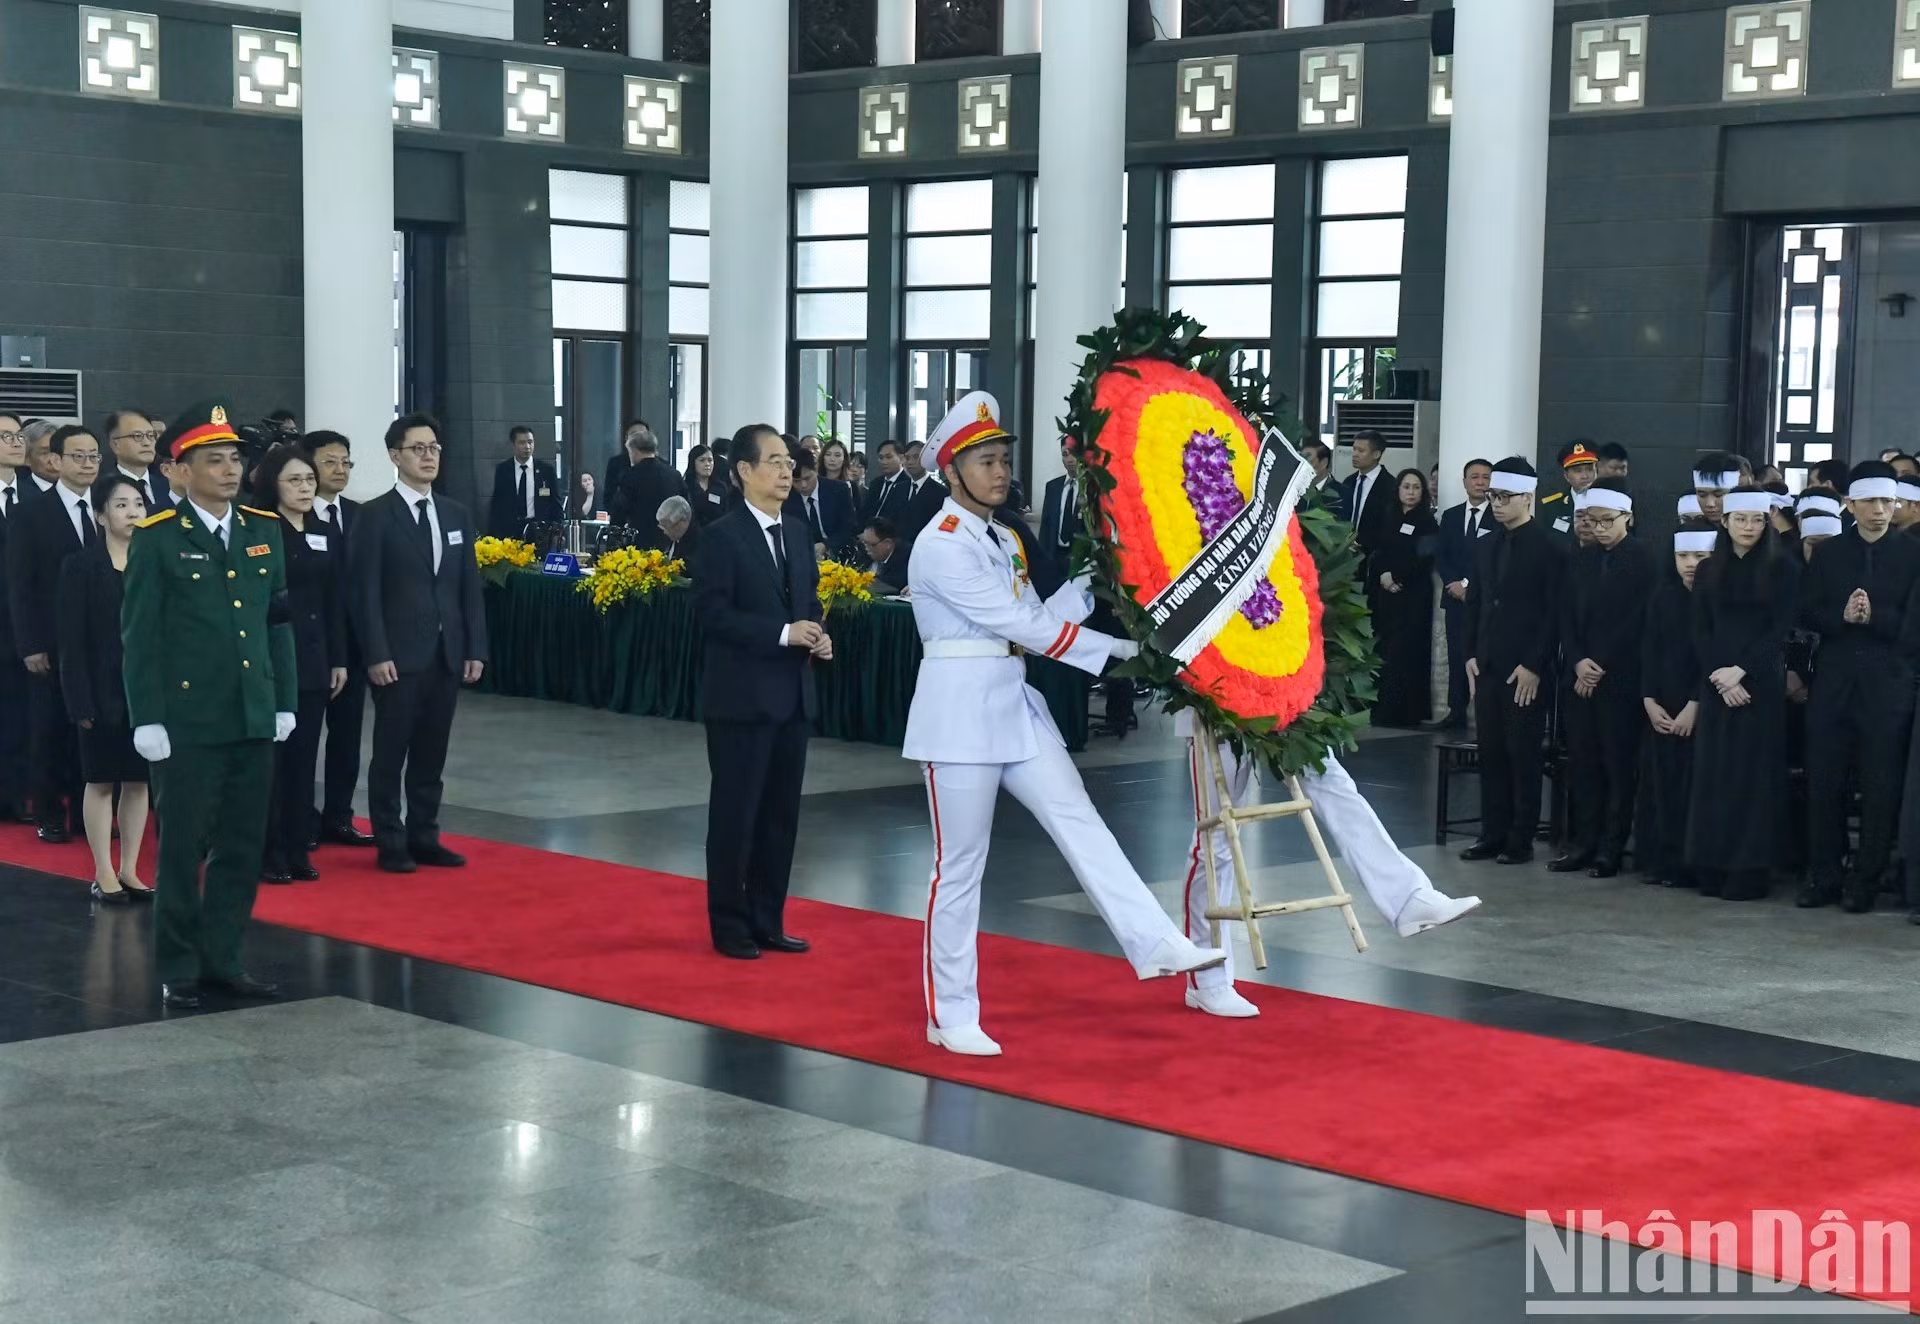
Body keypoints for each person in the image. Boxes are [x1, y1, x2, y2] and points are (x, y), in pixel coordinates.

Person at [904, 391, 1223, 1057]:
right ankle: (951, 1012)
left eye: (1002, 461)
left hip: (1011, 702)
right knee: (959, 867)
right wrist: (1122, 653)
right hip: (959, 712)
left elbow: (1043, 608)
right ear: (952, 471)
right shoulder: (941, 545)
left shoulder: (1002, 535)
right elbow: (1021, 623)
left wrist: (1095, 568)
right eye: (986, 462)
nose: (1001, 473)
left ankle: (1156, 940)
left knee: (1081, 822)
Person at [123, 400, 297, 1010]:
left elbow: (278, 624)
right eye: (213, 460)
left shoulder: (262, 530)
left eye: (234, 459)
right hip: (188, 723)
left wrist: (283, 700)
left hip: (251, 714)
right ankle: (178, 966)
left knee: (242, 847)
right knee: (182, 849)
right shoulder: (158, 539)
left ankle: (225, 960)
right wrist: (146, 716)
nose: (229, 470)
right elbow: (140, 636)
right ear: (180, 470)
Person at [1175, 709, 1479, 1016]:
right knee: (1216, 839)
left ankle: (1408, 899)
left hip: (1284, 695)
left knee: (1336, 787)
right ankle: (1207, 978)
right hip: (1214, 705)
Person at [692, 424, 823, 961]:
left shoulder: (795, 530)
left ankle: (769, 918)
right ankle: (729, 923)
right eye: (773, 461)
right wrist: (780, 634)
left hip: (792, 695)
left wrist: (815, 631)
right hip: (742, 700)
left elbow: (807, 602)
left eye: (789, 462)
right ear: (743, 471)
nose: (786, 471)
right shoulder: (721, 536)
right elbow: (712, 615)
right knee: (736, 815)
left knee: (780, 817)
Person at [349, 413, 487, 874]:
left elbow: (467, 588)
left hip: (446, 654)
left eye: (434, 449)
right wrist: (376, 651)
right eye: (418, 449)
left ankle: (425, 834)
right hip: (398, 657)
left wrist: (474, 648)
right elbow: (364, 591)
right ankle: (390, 837)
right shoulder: (374, 515)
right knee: (391, 752)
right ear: (395, 456)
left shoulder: (455, 514)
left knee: (432, 752)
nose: (429, 457)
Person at [1797, 462, 1920, 913]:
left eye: (1889, 501)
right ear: (1850, 504)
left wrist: (1877, 619)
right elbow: (1807, 613)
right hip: (1834, 683)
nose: (1880, 510)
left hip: (1888, 687)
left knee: (1880, 785)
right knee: (1824, 783)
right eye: (1870, 501)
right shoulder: (1830, 554)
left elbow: (1914, 624)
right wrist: (1842, 618)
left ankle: (1865, 880)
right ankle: (1824, 874)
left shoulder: (1912, 553)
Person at [1685, 490, 1799, 901]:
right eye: (1741, 519)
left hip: (1760, 684)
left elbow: (1779, 629)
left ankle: (1749, 869)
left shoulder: (1783, 567)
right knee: (1716, 775)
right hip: (1718, 684)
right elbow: (1699, 630)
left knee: (1753, 777)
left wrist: (1742, 671)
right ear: (1725, 522)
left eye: (1757, 520)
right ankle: (1711, 863)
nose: (1749, 527)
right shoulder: (1708, 569)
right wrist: (1720, 675)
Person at [1461, 458, 1568, 866]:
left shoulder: (1550, 547)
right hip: (1487, 664)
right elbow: (1475, 603)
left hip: (1525, 669)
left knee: (1522, 754)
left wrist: (1535, 664)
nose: (1497, 504)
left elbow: (1552, 613)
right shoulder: (1486, 544)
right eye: (1492, 497)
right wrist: (1470, 653)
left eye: (1505, 497)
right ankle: (1492, 832)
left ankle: (1519, 838)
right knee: (1490, 752)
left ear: (1528, 497)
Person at [253, 446, 347, 884]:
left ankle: (296, 846)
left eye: (309, 480)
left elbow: (335, 601)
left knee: (303, 759)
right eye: (295, 480)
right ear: (273, 484)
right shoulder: (258, 529)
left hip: (313, 658)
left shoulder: (325, 530)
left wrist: (339, 658)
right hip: (271, 657)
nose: (306, 487)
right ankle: (267, 849)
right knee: (271, 760)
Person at [57, 473, 153, 905]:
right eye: (121, 505)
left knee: (137, 782)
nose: (132, 513)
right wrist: (79, 700)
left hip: (146, 692)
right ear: (100, 515)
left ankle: (130, 868)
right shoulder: (80, 566)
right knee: (100, 781)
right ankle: (102, 871)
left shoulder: (155, 563)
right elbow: (71, 642)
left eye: (138, 504)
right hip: (99, 690)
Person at [1551, 479, 1654, 878]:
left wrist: (1599, 663)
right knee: (1583, 764)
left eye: (1606, 521)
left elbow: (1637, 621)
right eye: (1591, 521)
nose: (1598, 528)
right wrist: (1578, 661)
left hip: (1620, 678)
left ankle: (1611, 848)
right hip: (1580, 678)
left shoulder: (1645, 559)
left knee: (1617, 765)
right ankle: (1582, 843)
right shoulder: (1580, 560)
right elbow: (1566, 616)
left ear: (1627, 518)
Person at [8, 423, 100, 843]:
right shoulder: (30, 511)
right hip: (50, 640)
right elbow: (20, 583)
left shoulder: (107, 506)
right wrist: (29, 643)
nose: (87, 464)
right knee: (48, 729)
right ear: (55, 461)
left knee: (93, 728)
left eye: (93, 456)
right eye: (77, 456)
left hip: (99, 641)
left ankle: (88, 813)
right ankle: (47, 810)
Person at [303, 431, 373, 848]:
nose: (340, 470)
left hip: (353, 644)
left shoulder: (359, 514)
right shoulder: (292, 514)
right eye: (330, 462)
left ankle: (340, 816)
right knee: (305, 738)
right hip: (311, 645)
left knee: (347, 737)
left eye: (346, 462)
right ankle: (301, 816)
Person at [1640, 522, 1712, 889]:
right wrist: (1649, 699)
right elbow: (1649, 651)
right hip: (1663, 704)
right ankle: (1663, 858)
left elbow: (1713, 658)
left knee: (1695, 788)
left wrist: (1695, 704)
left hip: (1701, 705)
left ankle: (1692, 862)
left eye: (1700, 556)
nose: (1690, 564)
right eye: (1683, 555)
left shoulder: (1718, 600)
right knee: (1662, 785)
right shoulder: (1663, 598)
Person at [1369, 468, 1437, 727]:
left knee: (1408, 652)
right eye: (1406, 486)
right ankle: (1384, 709)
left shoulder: (1428, 522)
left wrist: (1398, 577)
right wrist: (1385, 575)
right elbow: (1379, 551)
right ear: (1398, 490)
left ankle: (1408, 712)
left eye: (1416, 487)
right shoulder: (1388, 516)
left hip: (1414, 595)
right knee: (1386, 651)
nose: (1411, 492)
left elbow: (1425, 557)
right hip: (1387, 595)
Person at [1435, 457, 1493, 730]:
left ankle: (1484, 712)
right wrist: (1454, 584)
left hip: (1483, 599)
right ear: (1465, 481)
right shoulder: (1451, 515)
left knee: (1483, 654)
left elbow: (1492, 558)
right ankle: (1455, 710)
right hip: (1455, 599)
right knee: (1457, 654)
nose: (1480, 482)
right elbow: (1442, 555)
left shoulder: (1498, 516)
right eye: (1475, 477)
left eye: (1486, 477)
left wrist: (1469, 585)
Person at [0, 413, 35, 820]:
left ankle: (20, 791)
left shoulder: (34, 497)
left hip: (24, 626)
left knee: (23, 716)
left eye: (17, 436)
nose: (15, 442)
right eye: (5, 436)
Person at [609, 422, 685, 531]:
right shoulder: (674, 474)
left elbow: (619, 511)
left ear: (634, 451)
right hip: (669, 535)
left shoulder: (630, 476)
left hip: (639, 538)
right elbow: (686, 508)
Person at [487, 425, 560, 537]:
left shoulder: (546, 470)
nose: (527, 446)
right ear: (513, 445)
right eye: (522, 443)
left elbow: (555, 503)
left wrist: (558, 531)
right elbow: (497, 504)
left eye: (530, 442)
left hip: (539, 531)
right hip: (510, 531)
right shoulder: (503, 470)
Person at [1337, 430, 1395, 565]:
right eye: (1354, 449)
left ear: (1376, 454)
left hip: (1373, 557)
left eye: (1361, 451)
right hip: (1344, 556)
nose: (1355, 454)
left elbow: (1388, 525)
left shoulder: (1390, 485)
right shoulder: (1349, 482)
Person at [784, 449, 854, 557]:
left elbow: (849, 527)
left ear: (816, 469)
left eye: (807, 478)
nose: (803, 485)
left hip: (840, 553)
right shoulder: (786, 499)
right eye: (796, 481)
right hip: (803, 556)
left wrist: (827, 545)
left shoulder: (838, 490)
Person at [1036, 438, 1081, 587]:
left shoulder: (1092, 486)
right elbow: (1045, 526)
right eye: (1065, 454)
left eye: (1074, 453)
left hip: (1080, 561)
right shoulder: (1053, 487)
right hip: (1055, 556)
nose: (1070, 459)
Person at [104, 409, 162, 512]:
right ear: (115, 444)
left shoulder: (168, 486)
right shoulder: (101, 490)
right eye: (137, 436)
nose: (147, 443)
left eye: (151, 436)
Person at [1543, 441, 1599, 545]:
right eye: (1578, 471)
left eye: (1590, 470)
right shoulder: (1551, 506)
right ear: (1566, 476)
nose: (1585, 476)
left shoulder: (1607, 503)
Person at [864, 440, 911, 524]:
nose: (884, 462)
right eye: (881, 458)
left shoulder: (908, 484)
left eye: (889, 457)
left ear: (901, 459)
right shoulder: (875, 483)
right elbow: (866, 512)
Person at [859, 517, 909, 595]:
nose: (866, 548)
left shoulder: (906, 559)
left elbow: (892, 585)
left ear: (888, 543)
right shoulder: (862, 551)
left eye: (872, 545)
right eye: (865, 542)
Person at [683, 443, 729, 526]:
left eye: (710, 460)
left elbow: (726, 514)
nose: (707, 464)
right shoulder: (685, 486)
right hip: (693, 535)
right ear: (693, 462)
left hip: (716, 534)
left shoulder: (720, 487)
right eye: (702, 460)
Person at [650, 495, 699, 560]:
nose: (665, 532)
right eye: (662, 526)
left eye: (667, 527)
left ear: (682, 522)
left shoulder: (697, 549)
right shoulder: (671, 538)